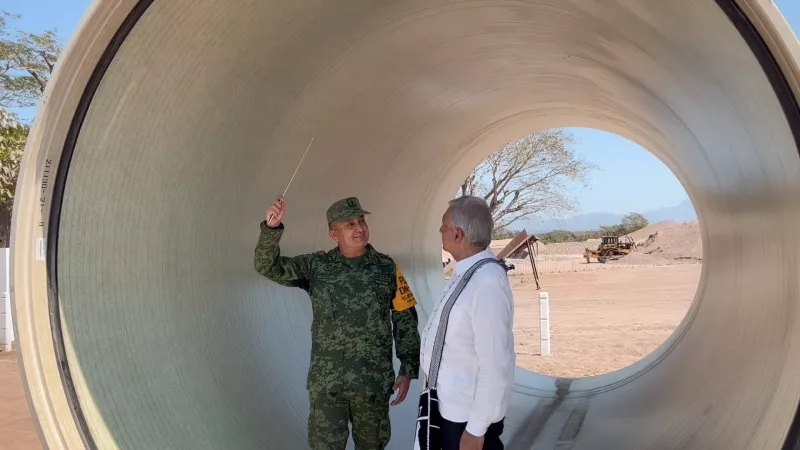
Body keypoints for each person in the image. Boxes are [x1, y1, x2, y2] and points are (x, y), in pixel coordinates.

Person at [254, 195, 421, 450]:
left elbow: (405, 319)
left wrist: (408, 368)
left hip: (372, 384)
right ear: (334, 234)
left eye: (361, 221)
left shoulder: (387, 268)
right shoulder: (317, 266)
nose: (359, 228)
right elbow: (268, 266)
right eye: (350, 224)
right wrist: (272, 229)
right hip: (328, 386)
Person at [418, 196, 516, 450]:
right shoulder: (469, 272)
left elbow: (496, 364)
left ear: (458, 234)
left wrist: (476, 429)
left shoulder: (486, 283)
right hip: (450, 409)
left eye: (443, 227)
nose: (441, 232)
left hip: (467, 421)